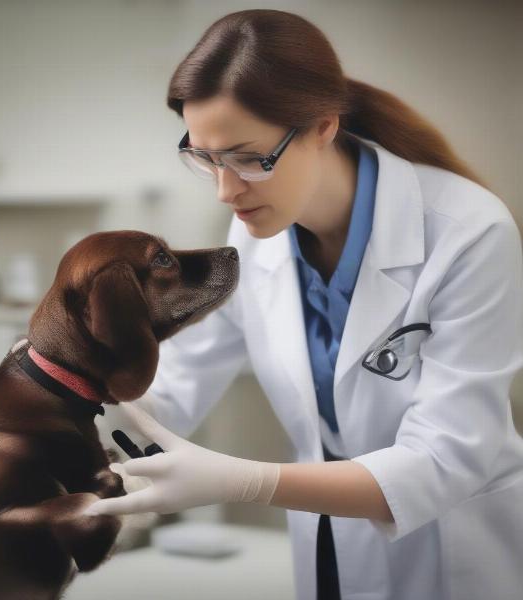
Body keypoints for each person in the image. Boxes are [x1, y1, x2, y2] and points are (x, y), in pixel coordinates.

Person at [85, 9, 523, 600]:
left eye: (247, 157)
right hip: (331, 546)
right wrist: (76, 388)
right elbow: (180, 385)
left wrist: (246, 482)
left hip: (455, 547)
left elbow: (444, 458)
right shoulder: (254, 233)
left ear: (321, 125)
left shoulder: (469, 232)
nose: (226, 189)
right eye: (206, 156)